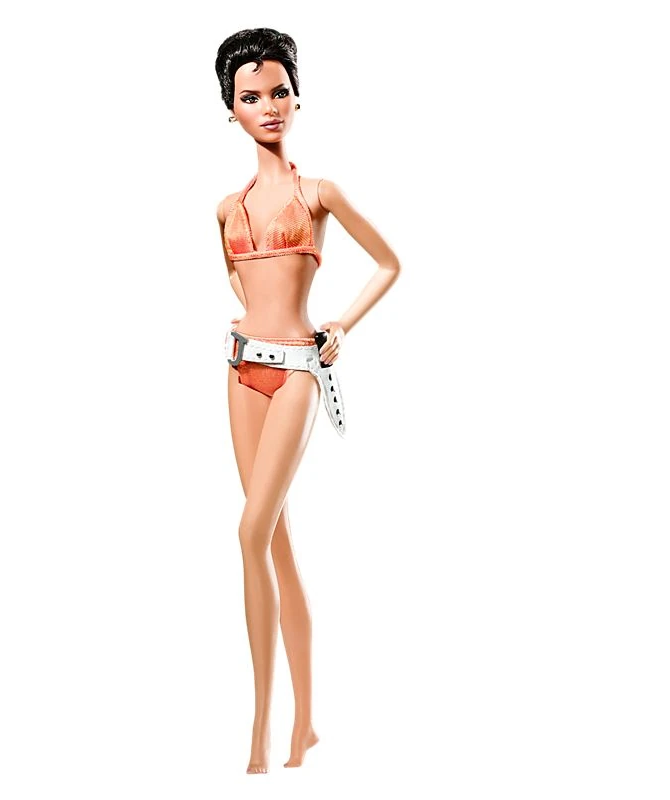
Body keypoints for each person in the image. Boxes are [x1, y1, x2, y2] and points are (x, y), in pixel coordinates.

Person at [214, 27, 400, 774]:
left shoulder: (319, 194)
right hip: (239, 372)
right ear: (230, 108)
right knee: (276, 546)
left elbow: (389, 263)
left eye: (279, 92)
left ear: (297, 97)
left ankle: (260, 737)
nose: (268, 106)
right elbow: (239, 285)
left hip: (296, 370)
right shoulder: (225, 209)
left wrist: (340, 326)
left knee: (249, 533)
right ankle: (305, 728)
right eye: (250, 96)